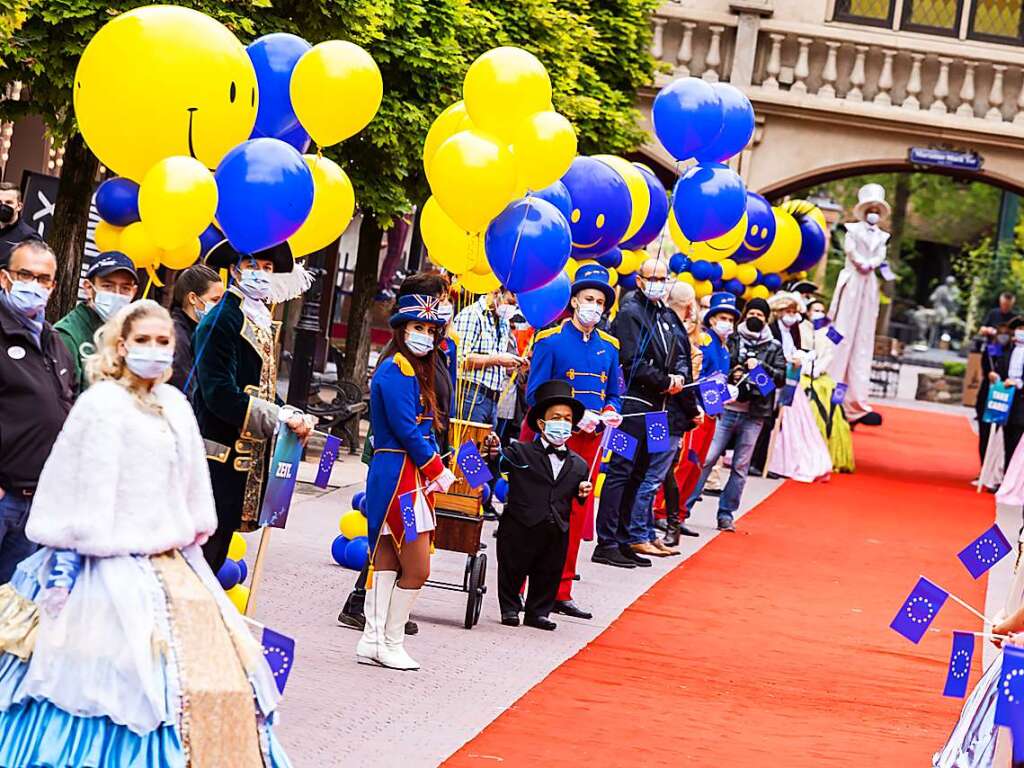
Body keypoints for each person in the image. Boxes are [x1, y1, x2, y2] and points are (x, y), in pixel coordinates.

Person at [0, 299, 291, 766]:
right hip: (99, 566)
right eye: (143, 341)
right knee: (96, 685)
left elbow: (192, 487)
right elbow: (75, 483)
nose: (154, 351)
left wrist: (194, 549)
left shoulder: (175, 405)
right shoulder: (101, 404)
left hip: (169, 563)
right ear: (120, 346)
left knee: (200, 679)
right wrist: (67, 564)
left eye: (163, 342)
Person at [339, 271, 456, 635]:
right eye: (419, 326)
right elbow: (406, 426)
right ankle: (380, 625)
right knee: (408, 556)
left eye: (431, 327)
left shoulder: (424, 360)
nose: (427, 333)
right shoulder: (398, 366)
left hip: (416, 467)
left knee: (395, 552)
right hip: (401, 469)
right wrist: (435, 466)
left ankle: (380, 633)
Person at [192, 240, 314, 572]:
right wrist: (277, 416)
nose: (260, 274)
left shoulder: (255, 318)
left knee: (215, 559)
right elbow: (219, 394)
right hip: (218, 460)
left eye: (268, 268)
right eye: (252, 266)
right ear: (234, 269)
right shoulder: (221, 320)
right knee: (200, 560)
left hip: (244, 465)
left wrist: (288, 412)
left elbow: (261, 385)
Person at [525, 264, 623, 618]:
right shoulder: (549, 340)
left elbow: (615, 391)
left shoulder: (609, 347)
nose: (594, 307)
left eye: (600, 301)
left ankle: (561, 589)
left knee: (575, 514)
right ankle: (523, 587)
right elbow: (534, 393)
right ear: (574, 301)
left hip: (589, 442)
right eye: (588, 299)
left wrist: (611, 411)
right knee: (538, 514)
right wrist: (571, 416)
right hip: (552, 438)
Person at [593, 257, 689, 569]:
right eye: (653, 277)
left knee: (643, 472)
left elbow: (681, 351)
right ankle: (606, 541)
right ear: (639, 279)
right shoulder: (631, 312)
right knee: (620, 470)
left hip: (660, 411)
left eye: (663, 278)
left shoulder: (665, 314)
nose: (658, 283)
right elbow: (632, 360)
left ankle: (627, 537)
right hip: (633, 407)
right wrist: (664, 380)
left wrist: (679, 377)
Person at [0, 238, 75, 583]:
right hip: (4, 498)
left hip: (36, 506)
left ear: (53, 286)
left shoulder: (53, 341)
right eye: (25, 275)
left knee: (10, 613)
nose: (34, 285)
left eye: (43, 279)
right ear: (5, 278)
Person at [497, 380, 592, 630]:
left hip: (556, 525)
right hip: (521, 522)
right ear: (542, 423)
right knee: (513, 566)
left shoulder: (579, 464)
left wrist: (582, 493)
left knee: (548, 569)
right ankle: (509, 606)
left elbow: (576, 492)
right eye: (556, 417)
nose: (562, 423)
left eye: (568, 419)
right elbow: (498, 466)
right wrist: (491, 452)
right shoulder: (520, 453)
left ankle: (538, 611)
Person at [685, 297, 785, 532]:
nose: (755, 319)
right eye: (752, 313)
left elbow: (779, 378)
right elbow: (719, 368)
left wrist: (760, 368)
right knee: (707, 458)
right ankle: (683, 508)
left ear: (766, 319)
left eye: (760, 316)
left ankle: (726, 514)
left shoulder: (774, 346)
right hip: (726, 409)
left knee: (741, 466)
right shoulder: (732, 339)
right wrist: (737, 369)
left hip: (754, 414)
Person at [828, 183, 891, 427]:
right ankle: (832, 387)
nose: (873, 212)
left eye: (877, 209)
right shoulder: (852, 231)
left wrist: (872, 263)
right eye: (870, 208)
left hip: (868, 283)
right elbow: (850, 250)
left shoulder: (883, 237)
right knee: (843, 330)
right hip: (854, 279)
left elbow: (880, 256)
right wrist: (859, 261)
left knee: (863, 338)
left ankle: (855, 399)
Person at [765, 294, 833, 483]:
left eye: (794, 312)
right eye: (788, 312)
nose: (792, 315)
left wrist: (808, 362)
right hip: (784, 376)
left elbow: (827, 353)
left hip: (801, 378)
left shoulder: (822, 331)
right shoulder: (784, 330)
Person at [53, 250, 139, 392]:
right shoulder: (67, 335)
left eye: (125, 288)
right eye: (107, 286)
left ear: (133, 292)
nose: (117, 294)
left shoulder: (132, 334)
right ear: (88, 287)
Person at [662, 280, 706, 543]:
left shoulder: (690, 343)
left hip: (675, 413)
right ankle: (667, 524)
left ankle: (671, 523)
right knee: (659, 471)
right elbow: (685, 382)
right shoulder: (672, 331)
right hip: (667, 412)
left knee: (664, 470)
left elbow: (688, 381)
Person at [452, 286, 522, 425]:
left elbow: (495, 359)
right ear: (496, 292)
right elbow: (460, 360)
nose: (511, 308)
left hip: (494, 398)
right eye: (510, 302)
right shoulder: (472, 314)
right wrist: (497, 359)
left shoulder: (503, 322)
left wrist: (513, 363)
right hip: (470, 395)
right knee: (466, 445)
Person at [803, 299, 855, 473]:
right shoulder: (801, 329)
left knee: (834, 412)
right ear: (808, 312)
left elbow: (837, 350)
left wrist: (819, 369)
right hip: (804, 375)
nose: (818, 313)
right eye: (815, 310)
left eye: (821, 310)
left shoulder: (828, 332)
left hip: (827, 378)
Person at [170, 263, 224, 392]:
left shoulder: (204, 332)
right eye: (215, 300)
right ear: (193, 298)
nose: (221, 307)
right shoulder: (176, 335)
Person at [992, 316, 1024, 470]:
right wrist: (996, 378)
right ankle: (1004, 478)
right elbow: (999, 371)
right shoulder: (1007, 352)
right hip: (1006, 401)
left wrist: (1018, 384)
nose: (1021, 332)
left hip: (1022, 403)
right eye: (1019, 329)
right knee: (1006, 441)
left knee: (1018, 442)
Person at [0, 182, 36, 269]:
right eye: (0, 202)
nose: (3, 206)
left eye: (8, 202)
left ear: (19, 206)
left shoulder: (30, 237)